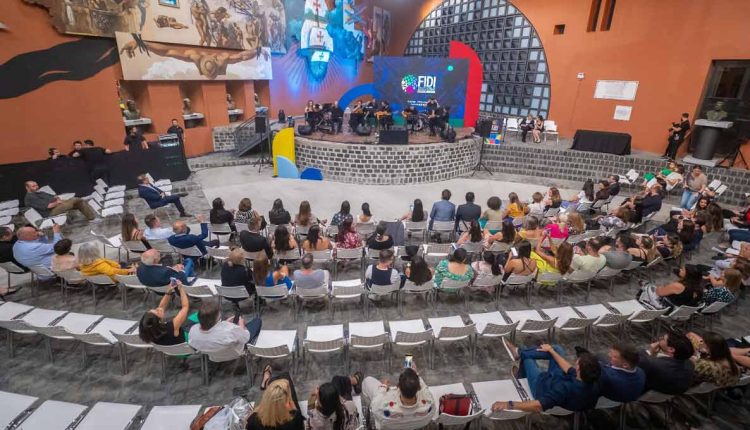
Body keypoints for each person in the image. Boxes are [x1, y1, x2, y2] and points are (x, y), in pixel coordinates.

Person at [491, 342, 601, 413]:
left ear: (579, 370)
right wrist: (551, 351)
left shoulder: (564, 389)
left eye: (577, 363)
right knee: (557, 349)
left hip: (540, 385)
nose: (575, 363)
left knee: (528, 358)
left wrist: (507, 404)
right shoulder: (592, 381)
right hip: (555, 379)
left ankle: (520, 372)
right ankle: (519, 352)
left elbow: (538, 406)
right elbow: (568, 369)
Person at [188, 298, 262, 362]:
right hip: (235, 353)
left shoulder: (193, 331)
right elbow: (246, 337)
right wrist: (241, 324)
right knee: (257, 321)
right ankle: (253, 353)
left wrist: (225, 323)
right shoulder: (230, 330)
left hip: (213, 356)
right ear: (216, 319)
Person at [362, 366, 435, 430]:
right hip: (418, 425)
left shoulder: (382, 406)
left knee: (367, 380)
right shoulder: (429, 402)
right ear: (419, 388)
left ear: (398, 386)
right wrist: (415, 375)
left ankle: (365, 415)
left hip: (390, 427)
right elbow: (425, 388)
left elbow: (374, 405)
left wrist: (383, 387)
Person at [138, 280, 190, 345]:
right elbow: (185, 307)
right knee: (196, 317)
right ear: (159, 321)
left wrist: (169, 292)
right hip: (185, 350)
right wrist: (181, 289)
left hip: (171, 350)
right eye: (157, 311)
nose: (157, 308)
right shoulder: (172, 326)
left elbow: (161, 307)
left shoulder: (151, 332)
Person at [24, 180, 96, 221]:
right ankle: (73, 201)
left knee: (80, 202)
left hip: (56, 206)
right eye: (33, 186)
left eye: (36, 185)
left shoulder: (40, 192)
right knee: (75, 199)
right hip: (50, 212)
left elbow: (54, 196)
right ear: (27, 188)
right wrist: (58, 202)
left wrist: (57, 199)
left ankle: (91, 218)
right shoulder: (30, 197)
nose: (37, 187)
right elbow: (48, 206)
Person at [638, 265, 703, 310]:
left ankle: (640, 303)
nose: (680, 270)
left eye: (683, 270)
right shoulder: (698, 288)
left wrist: (661, 287)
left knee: (648, 286)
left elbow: (659, 292)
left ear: (688, 275)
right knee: (651, 287)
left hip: (665, 308)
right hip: (677, 309)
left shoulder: (679, 286)